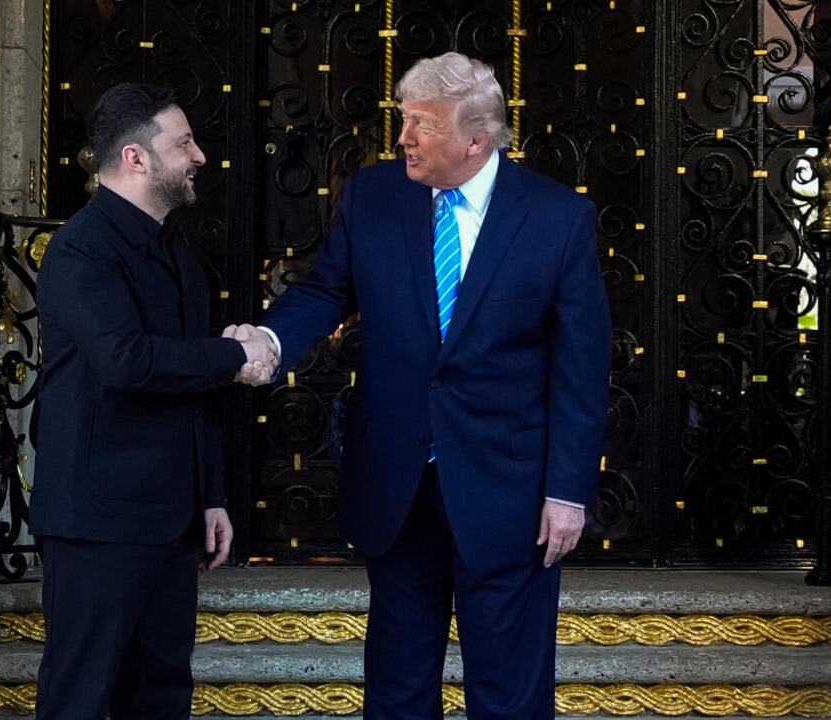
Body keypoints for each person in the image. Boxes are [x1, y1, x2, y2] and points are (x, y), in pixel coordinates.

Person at [243, 52, 611, 720]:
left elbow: (581, 366)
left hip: (510, 494)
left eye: (423, 125)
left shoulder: (558, 217)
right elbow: (325, 291)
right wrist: (269, 340)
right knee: (398, 690)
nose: (404, 137)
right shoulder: (373, 194)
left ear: (477, 139)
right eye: (404, 118)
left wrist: (567, 491)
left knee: (509, 697)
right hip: (398, 486)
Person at [30, 82, 277, 720]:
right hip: (96, 523)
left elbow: (189, 391)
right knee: (80, 699)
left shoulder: (175, 253)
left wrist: (211, 494)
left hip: (169, 518)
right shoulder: (81, 248)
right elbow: (128, 362)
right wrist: (233, 355)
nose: (199, 157)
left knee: (162, 694)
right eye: (184, 143)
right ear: (136, 158)